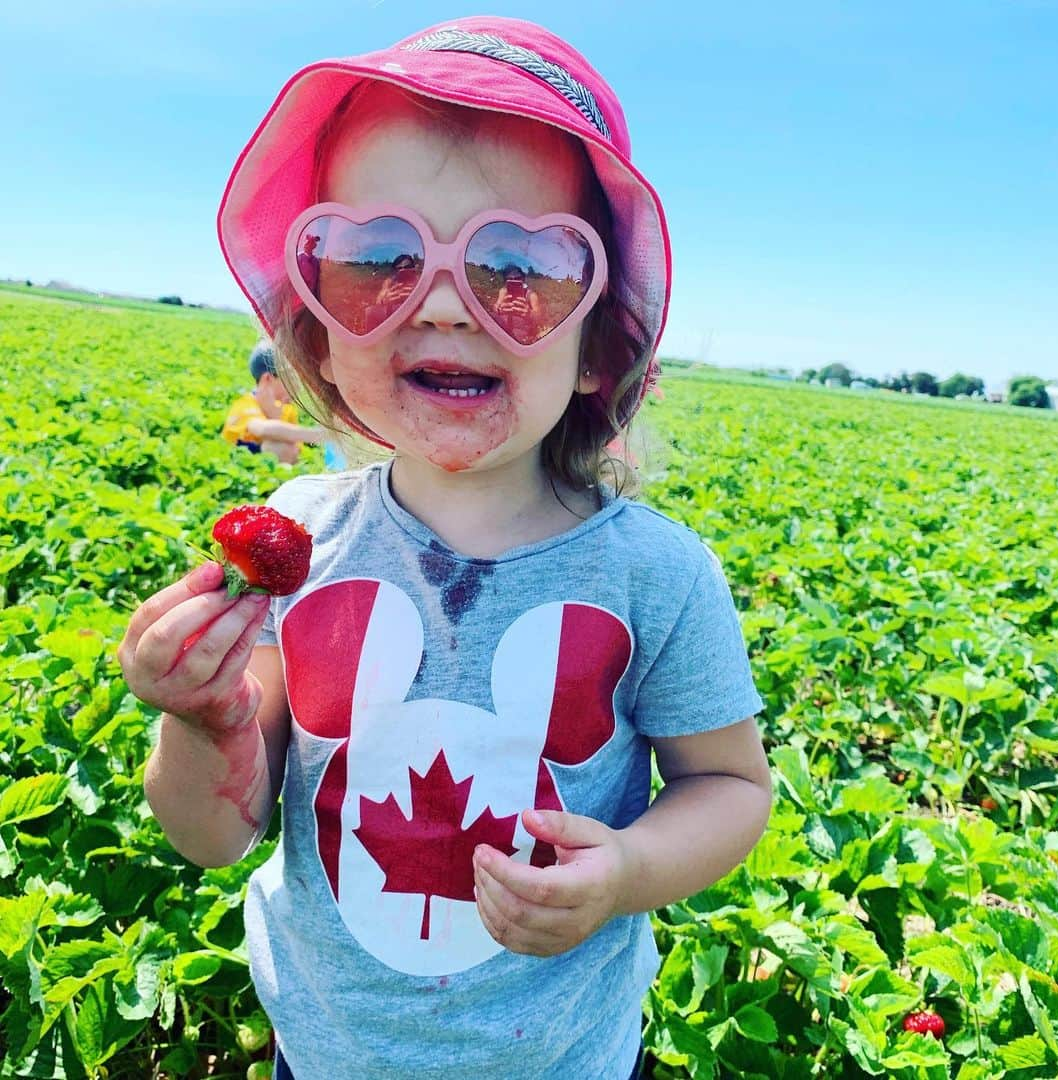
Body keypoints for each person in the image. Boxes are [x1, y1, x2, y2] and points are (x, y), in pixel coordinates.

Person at [119, 17, 770, 1079]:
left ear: (601, 346)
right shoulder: (308, 535)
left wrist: (627, 869)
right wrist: (201, 719)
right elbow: (218, 836)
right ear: (318, 327)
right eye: (375, 258)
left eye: (520, 268)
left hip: (559, 1057)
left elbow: (732, 789)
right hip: (325, 1047)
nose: (441, 305)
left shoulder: (656, 577)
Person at [221, 342, 326, 465]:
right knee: (279, 448)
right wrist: (320, 436)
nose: (296, 387)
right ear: (268, 379)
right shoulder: (245, 405)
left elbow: (296, 448)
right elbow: (261, 429)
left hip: (270, 467)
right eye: (290, 378)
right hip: (239, 464)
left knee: (286, 446)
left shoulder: (287, 408)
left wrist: (274, 416)